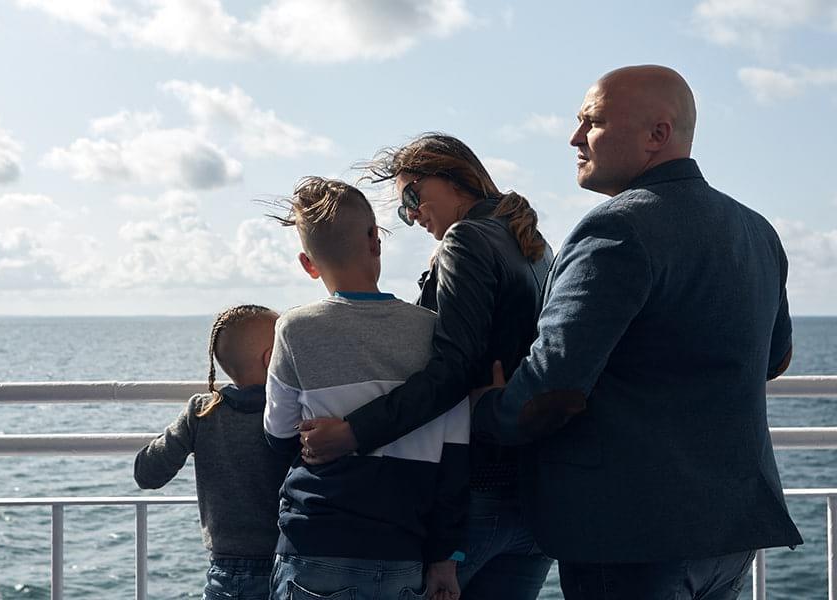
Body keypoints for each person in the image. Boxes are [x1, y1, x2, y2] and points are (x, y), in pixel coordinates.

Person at [463, 65, 801, 599]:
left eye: (591, 121)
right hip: (731, 530)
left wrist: (484, 409)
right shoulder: (755, 229)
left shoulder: (617, 229)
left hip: (632, 534)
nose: (574, 137)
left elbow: (554, 388)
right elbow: (774, 360)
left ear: (657, 134)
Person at [296, 133, 556, 598]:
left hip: (475, 493)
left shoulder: (467, 239)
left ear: (454, 176)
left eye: (412, 196)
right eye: (402, 209)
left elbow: (453, 369)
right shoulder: (534, 245)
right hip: (534, 497)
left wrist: (354, 431)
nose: (412, 214)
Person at [263, 176, 467, 600]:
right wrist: (444, 557)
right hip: (403, 550)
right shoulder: (434, 332)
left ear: (308, 264)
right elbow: (454, 462)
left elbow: (279, 433)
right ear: (375, 240)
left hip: (316, 546)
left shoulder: (295, 330)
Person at [134, 304, 291, 600]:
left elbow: (147, 473)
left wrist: (189, 426)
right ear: (272, 358)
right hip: (292, 563)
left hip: (228, 571)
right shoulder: (293, 411)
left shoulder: (203, 412)